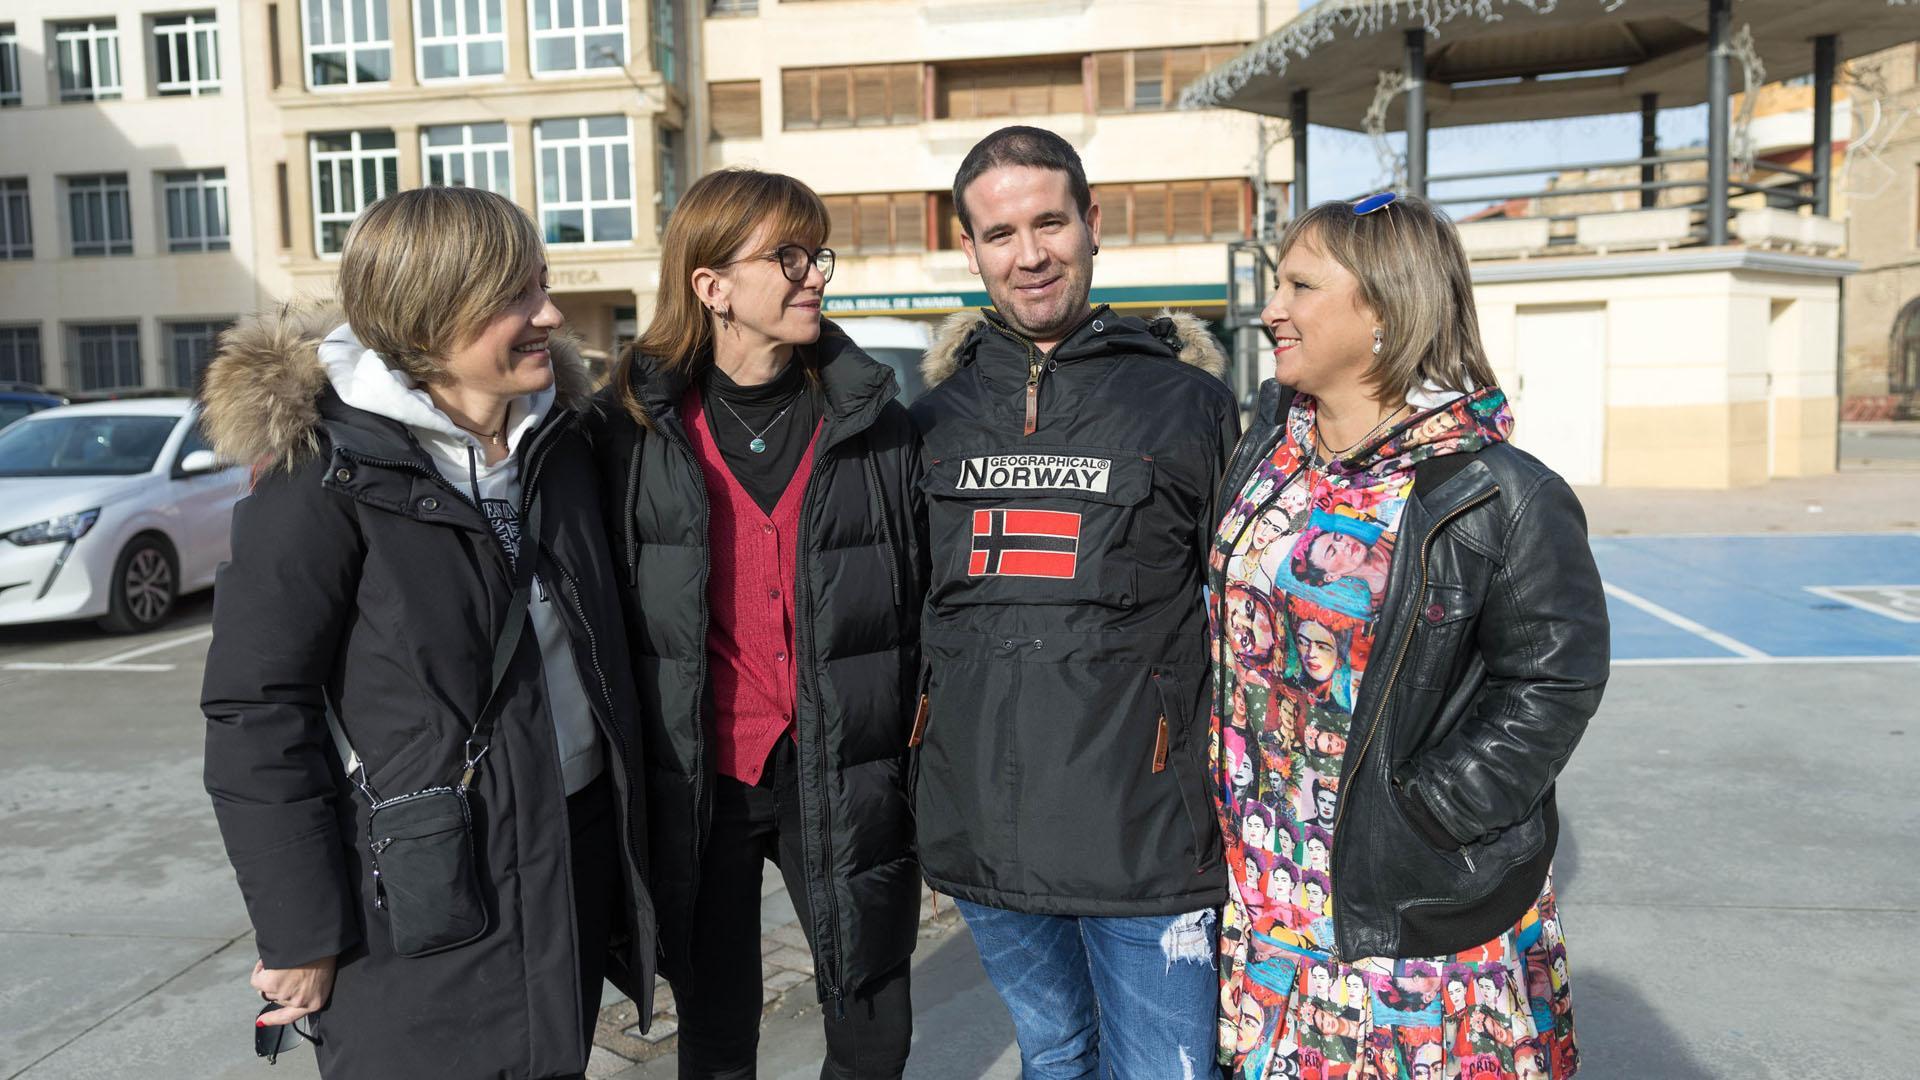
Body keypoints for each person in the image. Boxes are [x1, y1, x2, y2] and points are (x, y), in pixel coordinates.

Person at [199, 186, 653, 1079]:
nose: (551, 315)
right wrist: (300, 932)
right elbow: (257, 714)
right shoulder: (321, 476)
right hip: (419, 892)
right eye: (517, 296)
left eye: (543, 285)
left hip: (569, 851)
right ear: (431, 313)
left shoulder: (561, 443)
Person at [1207, 192, 1608, 1079]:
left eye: (1302, 285)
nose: (1272, 308)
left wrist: (1430, 812)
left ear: (1385, 310)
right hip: (1264, 883)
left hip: (1398, 912)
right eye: (1278, 283)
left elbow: (1554, 680)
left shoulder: (1499, 491)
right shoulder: (1270, 450)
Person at [908, 125, 1240, 1077]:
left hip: (1146, 829)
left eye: (1050, 222)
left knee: (1167, 1068)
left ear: (1092, 223)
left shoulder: (1189, 405)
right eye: (1001, 233)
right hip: (983, 826)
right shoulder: (928, 421)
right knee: (1054, 1055)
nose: (1031, 254)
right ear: (968, 247)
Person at [583, 167, 923, 1079]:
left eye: (818, 255)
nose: (814, 274)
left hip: (841, 766)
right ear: (712, 285)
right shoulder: (625, 433)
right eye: (788, 256)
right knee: (719, 1029)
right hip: (704, 777)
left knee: (872, 1021)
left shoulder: (873, 423)